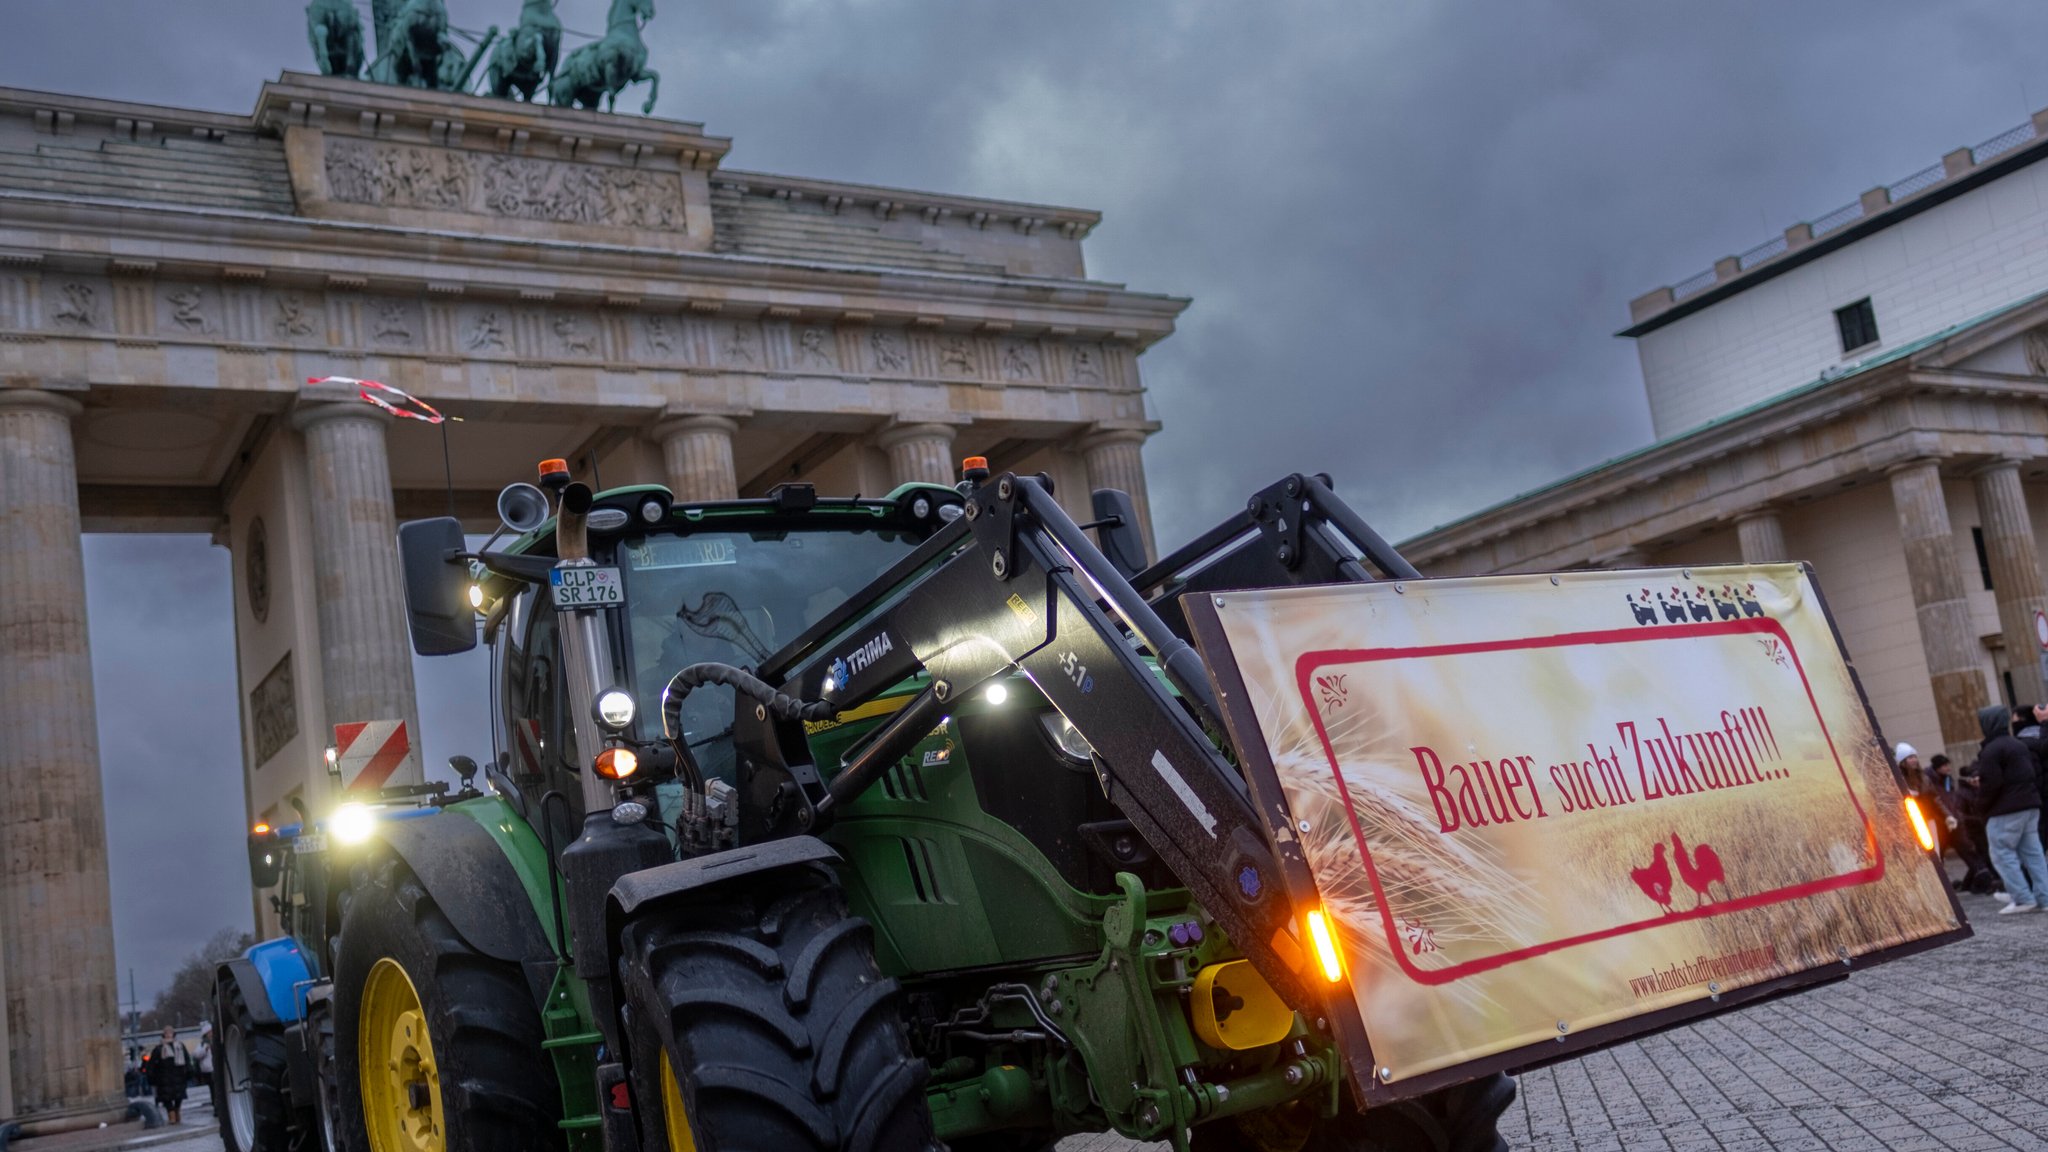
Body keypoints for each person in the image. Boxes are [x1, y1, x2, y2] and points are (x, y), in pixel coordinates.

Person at [1972, 704, 2048, 914]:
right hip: (2030, 805)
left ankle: (2022, 897)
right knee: (2033, 854)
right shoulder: (2018, 745)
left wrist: (1981, 804)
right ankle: (2044, 897)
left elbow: (1992, 783)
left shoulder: (1992, 750)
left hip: (2006, 809)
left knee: (2002, 853)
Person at [145, 1026, 196, 1124]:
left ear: (173, 1034)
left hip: (179, 1076)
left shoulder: (179, 1046)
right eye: (166, 1033)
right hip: (164, 1077)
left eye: (170, 1033)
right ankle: (171, 1113)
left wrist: (189, 1071)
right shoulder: (159, 1048)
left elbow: (187, 1059)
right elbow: (152, 1064)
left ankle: (177, 1111)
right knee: (166, 1097)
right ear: (163, 1035)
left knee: (179, 1096)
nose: (168, 1035)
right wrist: (152, 1076)